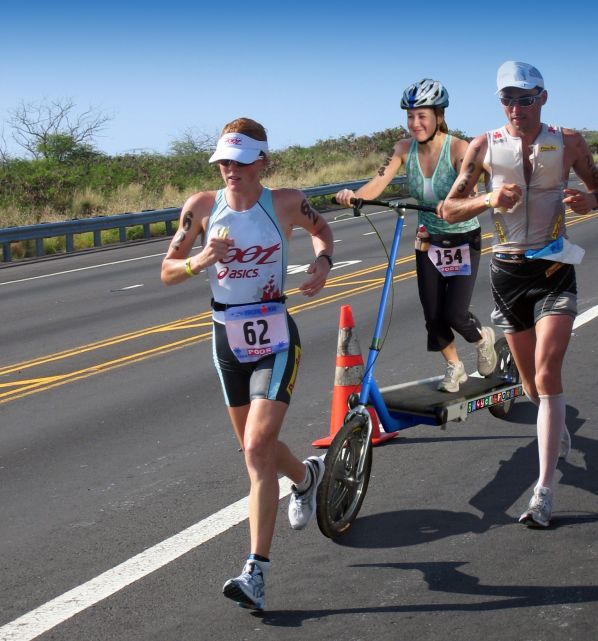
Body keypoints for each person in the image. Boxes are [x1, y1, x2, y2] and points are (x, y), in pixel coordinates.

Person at [161, 117, 334, 610]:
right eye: (222, 162)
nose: (229, 170)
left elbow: (323, 232)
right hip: (226, 338)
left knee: (258, 447)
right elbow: (167, 272)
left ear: (262, 161)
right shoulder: (200, 207)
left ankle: (255, 572)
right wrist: (200, 261)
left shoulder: (283, 202)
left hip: (275, 333)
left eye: (239, 162)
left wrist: (321, 265)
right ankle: (306, 478)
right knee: (252, 448)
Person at [443, 61, 598, 528]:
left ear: (543, 99)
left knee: (549, 375)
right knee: (530, 385)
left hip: (553, 270)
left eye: (525, 98)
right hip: (508, 274)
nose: (516, 107)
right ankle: (553, 425)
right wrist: (487, 199)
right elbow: (449, 208)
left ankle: (543, 492)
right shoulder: (483, 146)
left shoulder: (568, 141)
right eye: (508, 99)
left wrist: (592, 200)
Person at [335, 79, 497, 393]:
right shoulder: (402, 149)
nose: (415, 123)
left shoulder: (459, 150)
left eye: (422, 116)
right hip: (429, 241)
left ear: (439, 116)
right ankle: (454, 366)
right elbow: (377, 184)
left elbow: (474, 198)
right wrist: (353, 196)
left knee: (456, 314)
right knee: (433, 316)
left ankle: (482, 338)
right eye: (410, 116)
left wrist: (456, 204)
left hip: (463, 241)